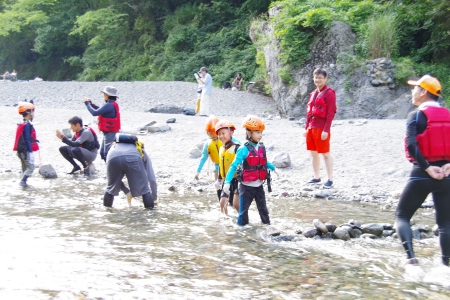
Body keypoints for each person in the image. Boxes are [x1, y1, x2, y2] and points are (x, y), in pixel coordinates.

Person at [396, 74, 450, 266]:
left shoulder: (416, 115)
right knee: (445, 224)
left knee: (402, 216)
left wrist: (427, 168)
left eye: (415, 88)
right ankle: (446, 266)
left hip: (422, 174)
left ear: (424, 92)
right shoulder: (448, 114)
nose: (413, 91)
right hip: (446, 176)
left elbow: (412, 146)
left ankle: (411, 259)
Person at [223, 115, 278, 226]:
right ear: (249, 133)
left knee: (263, 210)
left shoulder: (261, 146)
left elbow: (263, 162)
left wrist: (274, 168)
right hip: (246, 187)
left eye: (261, 132)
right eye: (257, 132)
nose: (260, 135)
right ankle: (242, 232)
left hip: (258, 186)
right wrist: (227, 182)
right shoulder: (243, 149)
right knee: (243, 213)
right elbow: (234, 166)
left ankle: (268, 228)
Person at [84, 86, 131, 199]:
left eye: (104, 94)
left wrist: (87, 104)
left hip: (110, 134)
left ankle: (115, 177)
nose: (103, 95)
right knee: (103, 154)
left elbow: (95, 113)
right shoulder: (110, 105)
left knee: (107, 156)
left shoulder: (109, 105)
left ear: (108, 95)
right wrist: (91, 103)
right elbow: (100, 110)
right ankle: (116, 178)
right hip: (108, 134)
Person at [103, 133, 157, 209]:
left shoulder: (113, 147)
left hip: (112, 157)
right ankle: (150, 212)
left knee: (110, 189)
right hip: (133, 158)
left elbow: (115, 180)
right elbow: (151, 179)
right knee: (145, 191)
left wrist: (127, 191)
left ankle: (107, 212)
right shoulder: (140, 150)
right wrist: (154, 199)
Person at [303, 67, 337, 188]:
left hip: (322, 127)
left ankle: (330, 179)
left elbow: (331, 112)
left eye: (320, 78)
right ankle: (316, 177)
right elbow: (309, 112)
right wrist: (306, 128)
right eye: (316, 77)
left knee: (325, 153)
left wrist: (326, 130)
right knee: (314, 153)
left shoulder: (330, 93)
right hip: (312, 127)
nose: (318, 80)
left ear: (325, 78)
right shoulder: (313, 93)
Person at [214, 120, 241, 215]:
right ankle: (225, 221)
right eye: (219, 134)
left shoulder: (237, 148)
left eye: (223, 133)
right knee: (222, 203)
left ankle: (242, 219)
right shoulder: (222, 149)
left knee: (236, 204)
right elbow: (221, 165)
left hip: (237, 180)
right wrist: (219, 180)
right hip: (226, 181)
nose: (221, 136)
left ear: (231, 132)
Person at [13, 102, 39, 186]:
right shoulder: (27, 125)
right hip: (25, 151)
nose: (34, 114)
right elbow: (27, 139)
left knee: (24, 167)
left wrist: (35, 140)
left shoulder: (22, 123)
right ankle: (22, 181)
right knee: (31, 167)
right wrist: (30, 152)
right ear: (29, 113)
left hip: (20, 151)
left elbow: (24, 137)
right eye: (33, 112)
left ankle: (23, 183)